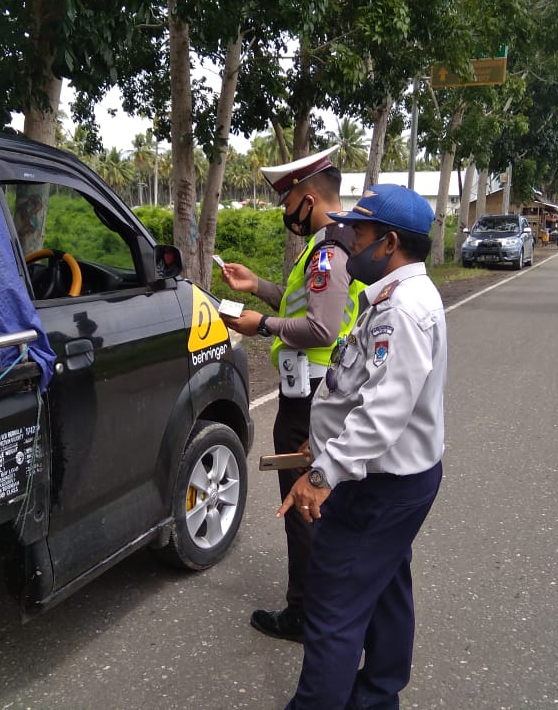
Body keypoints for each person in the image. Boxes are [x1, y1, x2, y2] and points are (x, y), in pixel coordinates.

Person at [278, 183, 446, 710]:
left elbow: (382, 414)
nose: (349, 239)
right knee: (388, 585)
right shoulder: (398, 297)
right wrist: (322, 441)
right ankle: (376, 696)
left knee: (333, 607)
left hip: (377, 487)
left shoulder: (402, 311)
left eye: (359, 231)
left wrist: (322, 474)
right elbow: (360, 389)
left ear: (389, 242)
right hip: (398, 477)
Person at [220, 146, 364, 644]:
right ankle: (328, 603)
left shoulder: (328, 250)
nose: (286, 213)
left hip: (310, 397)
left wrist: (261, 326)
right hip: (319, 389)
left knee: (302, 504)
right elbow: (304, 305)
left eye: (287, 202)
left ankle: (305, 612)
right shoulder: (336, 242)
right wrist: (257, 286)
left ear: (308, 198)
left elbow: (321, 327)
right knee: (318, 502)